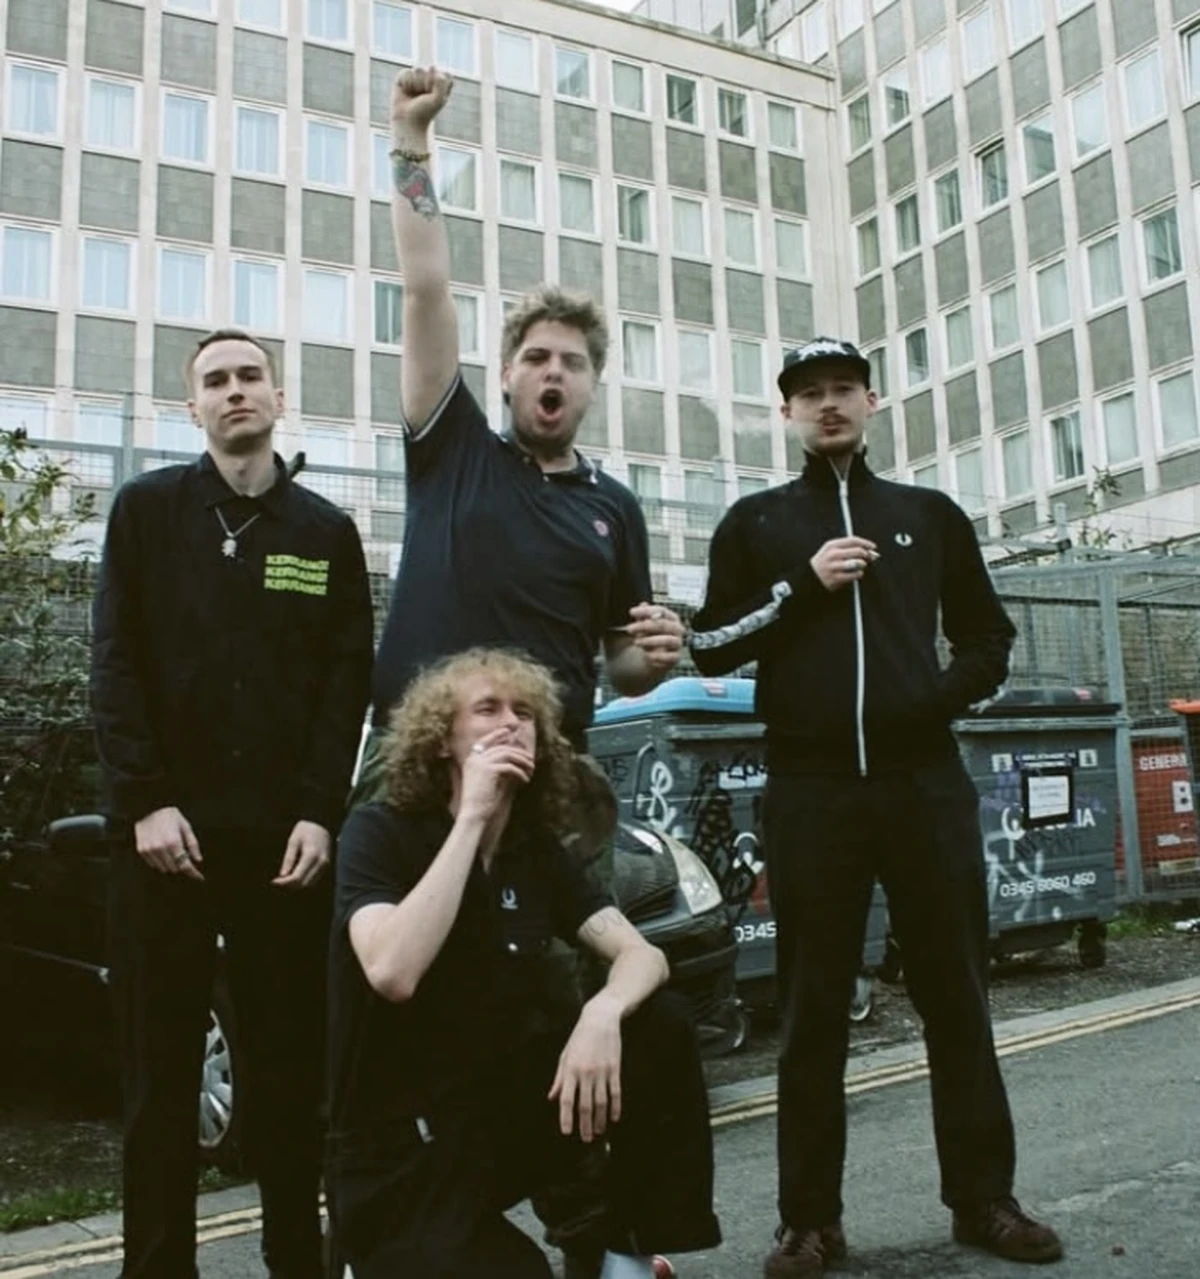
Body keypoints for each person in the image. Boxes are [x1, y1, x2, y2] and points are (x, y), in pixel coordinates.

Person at [689, 337, 1063, 1277]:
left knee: (956, 995)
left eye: (844, 389)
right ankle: (809, 1221)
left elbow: (987, 639)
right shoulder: (757, 522)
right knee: (813, 1008)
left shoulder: (927, 516)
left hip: (923, 783)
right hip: (811, 790)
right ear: (786, 411)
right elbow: (710, 645)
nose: (828, 404)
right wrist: (800, 585)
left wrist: (926, 704)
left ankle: (984, 1198)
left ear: (871, 401)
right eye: (809, 392)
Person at [91, 328, 375, 1279]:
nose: (235, 389)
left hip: (284, 848)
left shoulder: (324, 533)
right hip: (160, 842)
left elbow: (345, 685)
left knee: (289, 1077)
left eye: (251, 374)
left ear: (279, 397)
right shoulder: (147, 513)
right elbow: (115, 664)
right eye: (215, 379)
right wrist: (145, 800)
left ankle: (298, 1262)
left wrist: (320, 811)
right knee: (159, 1083)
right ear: (194, 408)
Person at [325, 648, 721, 1279]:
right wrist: (472, 819)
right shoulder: (381, 833)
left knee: (658, 1023)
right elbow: (392, 972)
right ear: (442, 741)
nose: (512, 722)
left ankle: (622, 1257)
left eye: (525, 713)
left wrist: (602, 1014)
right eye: (487, 709)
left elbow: (641, 955)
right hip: (399, 1148)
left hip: (495, 1121)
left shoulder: (534, 853)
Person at [363, 64, 685, 797]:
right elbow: (425, 288)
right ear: (506, 375)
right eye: (536, 358)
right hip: (421, 765)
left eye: (572, 362)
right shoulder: (452, 450)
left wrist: (655, 654)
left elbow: (623, 663)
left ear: (592, 384)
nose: (553, 372)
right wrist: (410, 139)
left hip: (550, 772)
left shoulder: (614, 508)